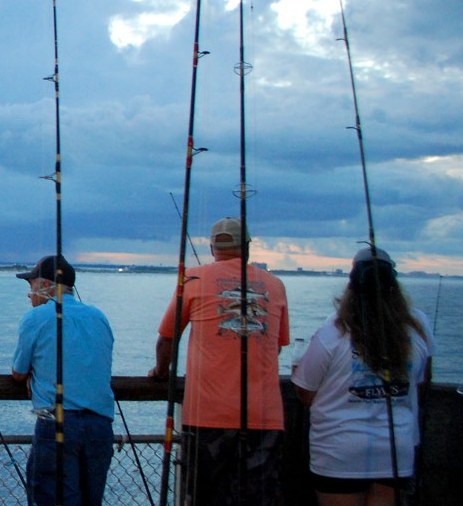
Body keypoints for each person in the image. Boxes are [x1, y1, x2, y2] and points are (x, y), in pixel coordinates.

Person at [148, 217, 290, 506]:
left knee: (203, 497)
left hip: (206, 416)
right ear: (247, 247)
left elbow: (167, 339)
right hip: (263, 417)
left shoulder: (193, 278)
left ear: (213, 247)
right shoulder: (275, 285)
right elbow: (275, 348)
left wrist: (162, 371)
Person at [291, 247, 434, 506]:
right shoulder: (417, 328)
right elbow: (422, 382)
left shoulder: (332, 332)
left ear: (352, 283)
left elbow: (305, 391)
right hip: (395, 452)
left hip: (339, 453)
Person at [11, 255, 115, 506]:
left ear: (46, 285)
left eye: (31, 285)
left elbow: (18, 371)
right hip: (100, 425)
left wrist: (34, 374)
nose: (30, 294)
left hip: (56, 423)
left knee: (49, 498)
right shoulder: (98, 317)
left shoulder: (36, 318)